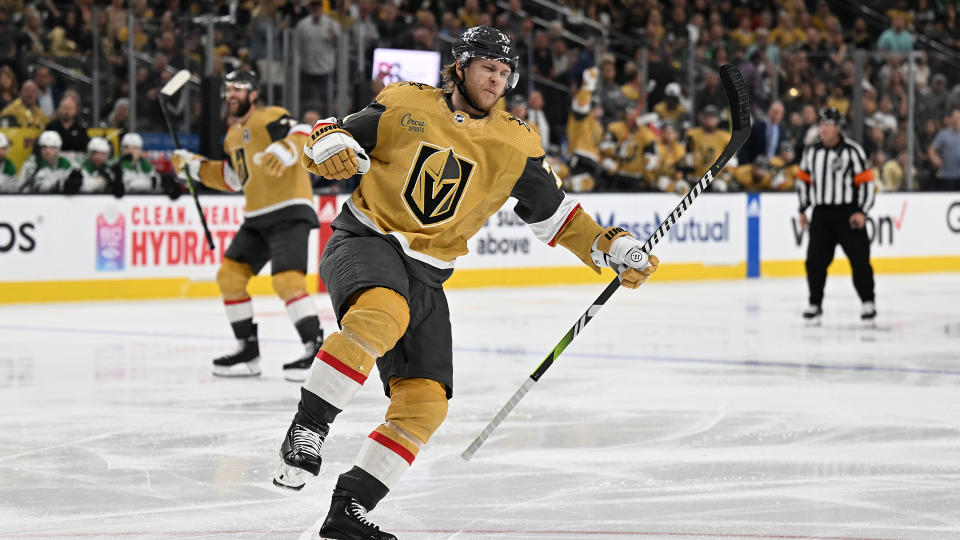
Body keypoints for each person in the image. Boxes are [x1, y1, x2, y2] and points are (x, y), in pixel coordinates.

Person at [270, 26, 659, 539]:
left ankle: (350, 508)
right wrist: (330, 143)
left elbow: (556, 216)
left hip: (427, 277)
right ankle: (308, 428)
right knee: (382, 315)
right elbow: (336, 134)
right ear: (460, 67)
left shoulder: (515, 142)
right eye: (487, 70)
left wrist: (610, 246)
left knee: (425, 402)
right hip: (368, 239)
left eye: (503, 74)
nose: (496, 81)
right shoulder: (408, 103)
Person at [170, 70, 326, 381]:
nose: (232, 95)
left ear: (254, 94)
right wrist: (194, 167)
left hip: (290, 209)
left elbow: (302, 131)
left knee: (286, 282)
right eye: (228, 89)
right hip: (257, 217)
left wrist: (285, 149)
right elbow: (232, 177)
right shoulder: (230, 135)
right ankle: (248, 351)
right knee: (229, 277)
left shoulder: (270, 116)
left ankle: (316, 351)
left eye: (239, 89)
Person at [797, 107, 876, 322]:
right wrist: (803, 208)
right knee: (814, 261)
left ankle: (868, 301)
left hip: (848, 213)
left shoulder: (853, 151)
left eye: (828, 125)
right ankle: (815, 303)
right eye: (821, 125)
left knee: (860, 260)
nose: (823, 129)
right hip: (822, 214)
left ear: (838, 128)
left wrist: (862, 211)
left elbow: (867, 183)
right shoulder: (811, 152)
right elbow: (803, 180)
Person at [927, 109, 960, 191]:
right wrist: (935, 159)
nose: (956, 120)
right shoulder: (943, 134)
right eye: (954, 117)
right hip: (947, 175)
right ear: (951, 119)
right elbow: (931, 149)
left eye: (958, 118)